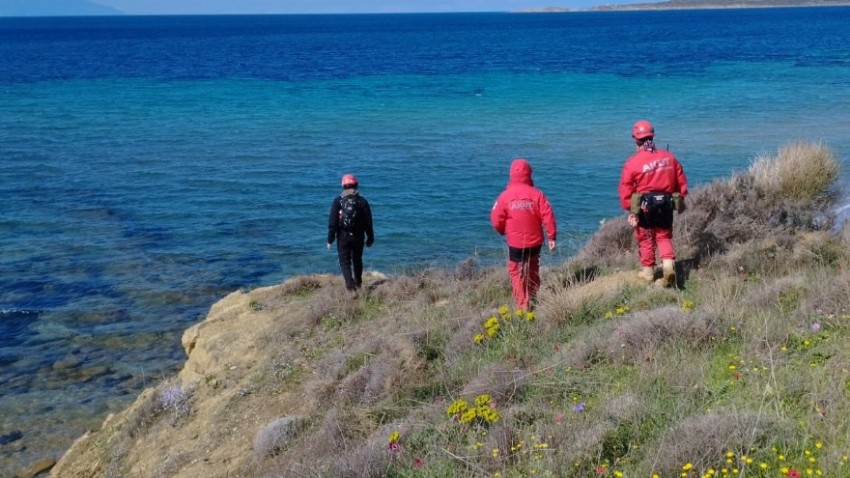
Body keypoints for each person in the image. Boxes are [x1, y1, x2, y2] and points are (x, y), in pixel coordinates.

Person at [618, 120, 688, 287]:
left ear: (636, 140)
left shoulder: (632, 162)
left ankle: (648, 272)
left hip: (646, 207)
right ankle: (668, 264)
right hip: (666, 204)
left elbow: (626, 187)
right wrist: (681, 197)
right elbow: (681, 181)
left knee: (646, 238)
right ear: (652, 136)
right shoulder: (669, 157)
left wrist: (630, 208)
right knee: (664, 236)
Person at [490, 158, 557, 311]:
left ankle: (523, 304)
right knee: (533, 267)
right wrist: (551, 236)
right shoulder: (537, 195)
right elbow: (548, 215)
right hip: (535, 242)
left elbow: (496, 218)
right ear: (529, 174)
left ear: (511, 175)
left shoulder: (505, 196)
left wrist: (501, 230)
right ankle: (533, 294)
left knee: (516, 272)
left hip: (516, 244)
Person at [327, 173, 374, 293]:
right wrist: (370, 238)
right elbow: (368, 222)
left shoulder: (338, 201)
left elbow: (333, 222)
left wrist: (330, 239)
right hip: (358, 236)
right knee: (357, 260)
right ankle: (358, 284)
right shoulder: (362, 202)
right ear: (356, 186)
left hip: (343, 236)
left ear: (343, 186)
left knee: (344, 261)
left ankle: (350, 287)